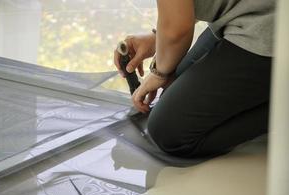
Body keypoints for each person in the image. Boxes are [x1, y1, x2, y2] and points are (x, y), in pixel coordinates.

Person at [114, 0, 274, 158]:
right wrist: (159, 35)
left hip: (272, 27)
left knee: (169, 131)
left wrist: (158, 72)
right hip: (246, 13)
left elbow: (177, 32)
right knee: (173, 87)